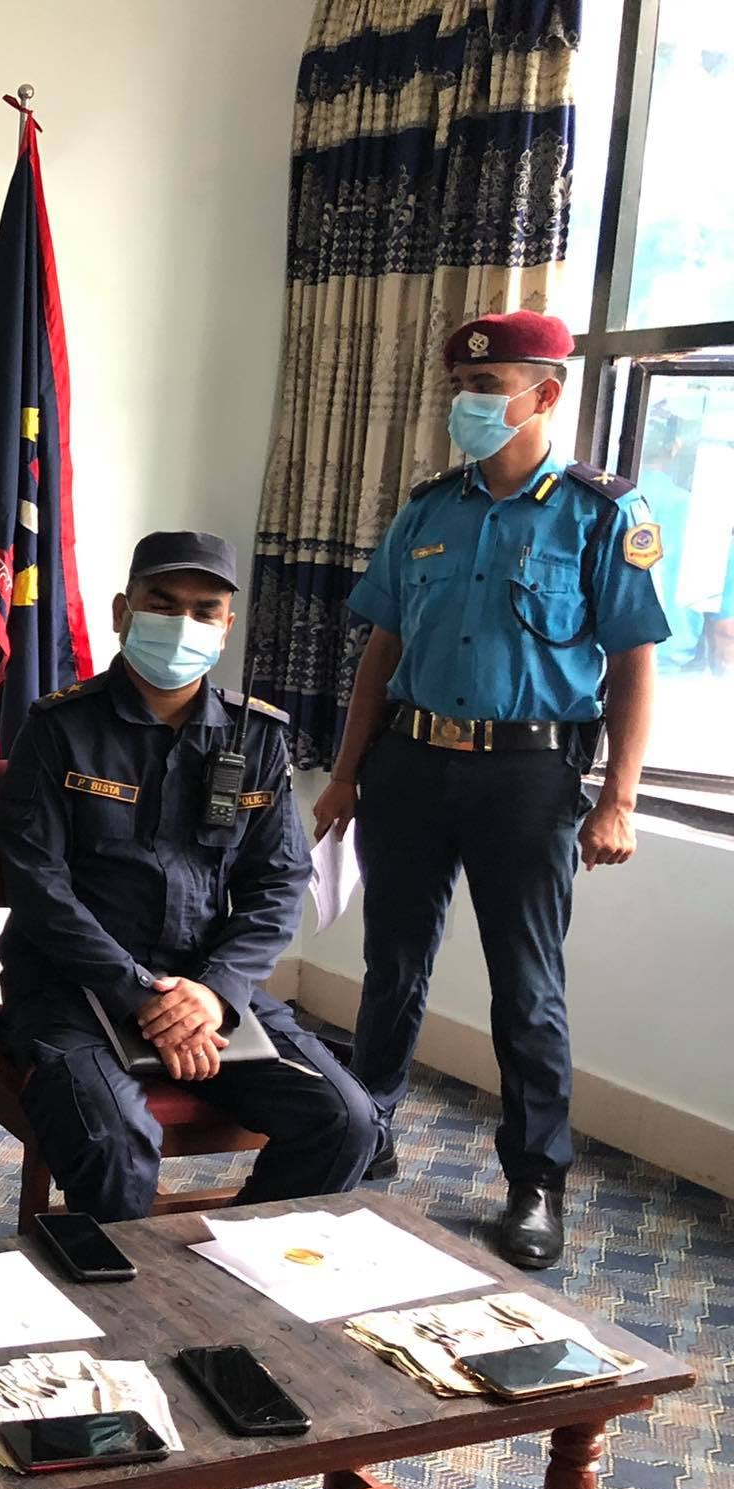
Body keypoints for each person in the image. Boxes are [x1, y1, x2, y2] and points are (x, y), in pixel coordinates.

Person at [313, 311, 670, 1270]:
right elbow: (382, 649)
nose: (466, 404)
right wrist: (345, 773)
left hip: (528, 774)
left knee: (527, 984)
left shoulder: (602, 514)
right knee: (392, 964)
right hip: (410, 763)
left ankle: (535, 1183)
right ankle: (368, 1128)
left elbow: (633, 661)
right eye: (462, 388)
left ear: (544, 394)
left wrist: (621, 797)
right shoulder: (429, 510)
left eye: (487, 387)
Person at [0, 531, 376, 1224]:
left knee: (346, 1121)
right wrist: (141, 994)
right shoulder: (59, 727)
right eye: (163, 604)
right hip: (73, 989)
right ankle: (122, 1285)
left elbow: (278, 881)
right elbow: (37, 884)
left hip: (206, 987)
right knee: (115, 1144)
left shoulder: (255, 736)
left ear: (226, 627)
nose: (183, 625)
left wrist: (214, 992)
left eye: (204, 611)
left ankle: (232, 1268)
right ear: (123, 612)